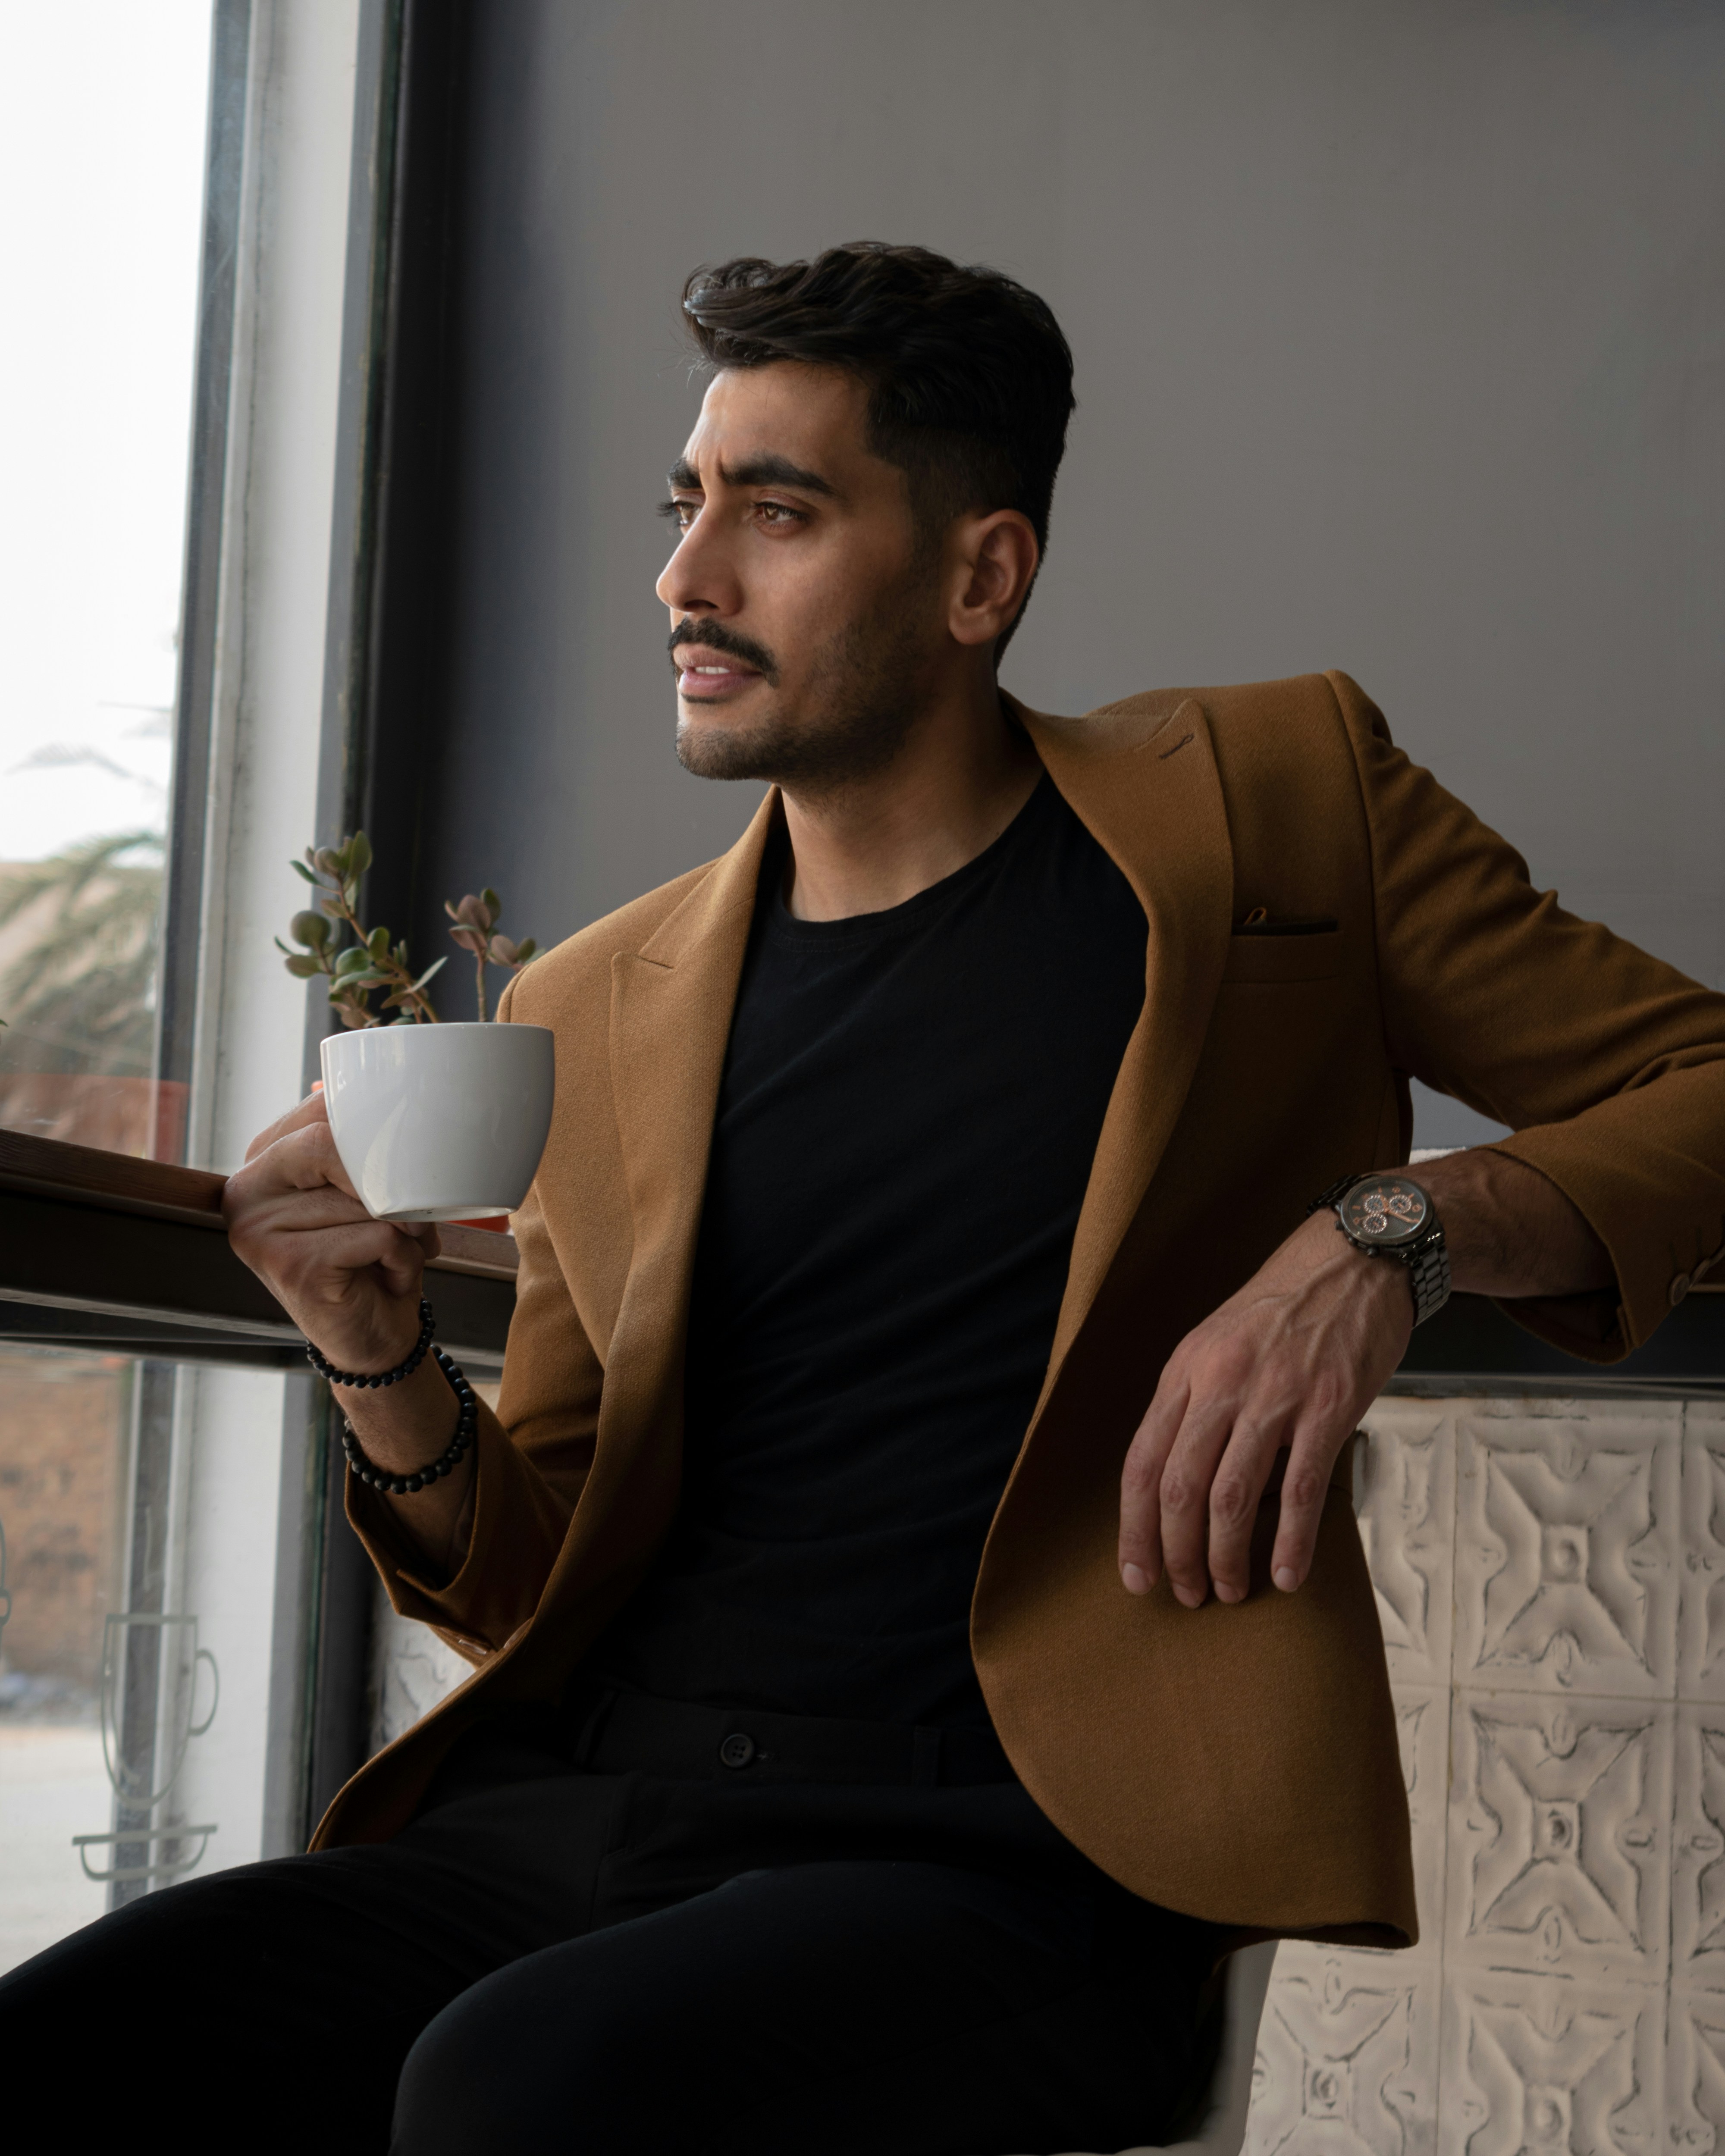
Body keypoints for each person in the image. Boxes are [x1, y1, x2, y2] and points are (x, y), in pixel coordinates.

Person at [6, 241, 1722, 2156]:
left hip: (1014, 1858)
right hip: (580, 1818)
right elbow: (526, 1578)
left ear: (983, 573)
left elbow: (1707, 1087)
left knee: (515, 2088)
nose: (685, 576)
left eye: (780, 510)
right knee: (70, 2044)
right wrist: (378, 1355)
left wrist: (1383, 1235)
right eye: (686, 507)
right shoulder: (593, 996)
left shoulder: (1271, 801)